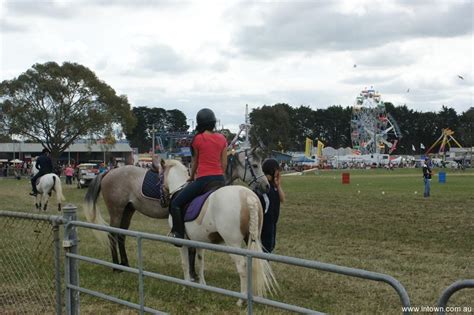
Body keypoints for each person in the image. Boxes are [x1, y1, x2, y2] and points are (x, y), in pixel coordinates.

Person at [168, 108, 227, 241]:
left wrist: (191, 176)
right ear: (213, 122)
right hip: (220, 180)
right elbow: (224, 164)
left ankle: (178, 234)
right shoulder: (222, 138)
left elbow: (195, 163)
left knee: (176, 203)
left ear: (199, 123)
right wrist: (219, 174)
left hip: (203, 181)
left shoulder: (198, 139)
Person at [255, 158, 285, 253]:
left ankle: (264, 264)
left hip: (273, 221)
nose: (279, 173)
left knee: (271, 245)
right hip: (265, 221)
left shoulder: (273, 185)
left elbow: (282, 199)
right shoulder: (263, 187)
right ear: (272, 171)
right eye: (277, 170)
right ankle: (263, 265)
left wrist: (278, 185)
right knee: (266, 246)